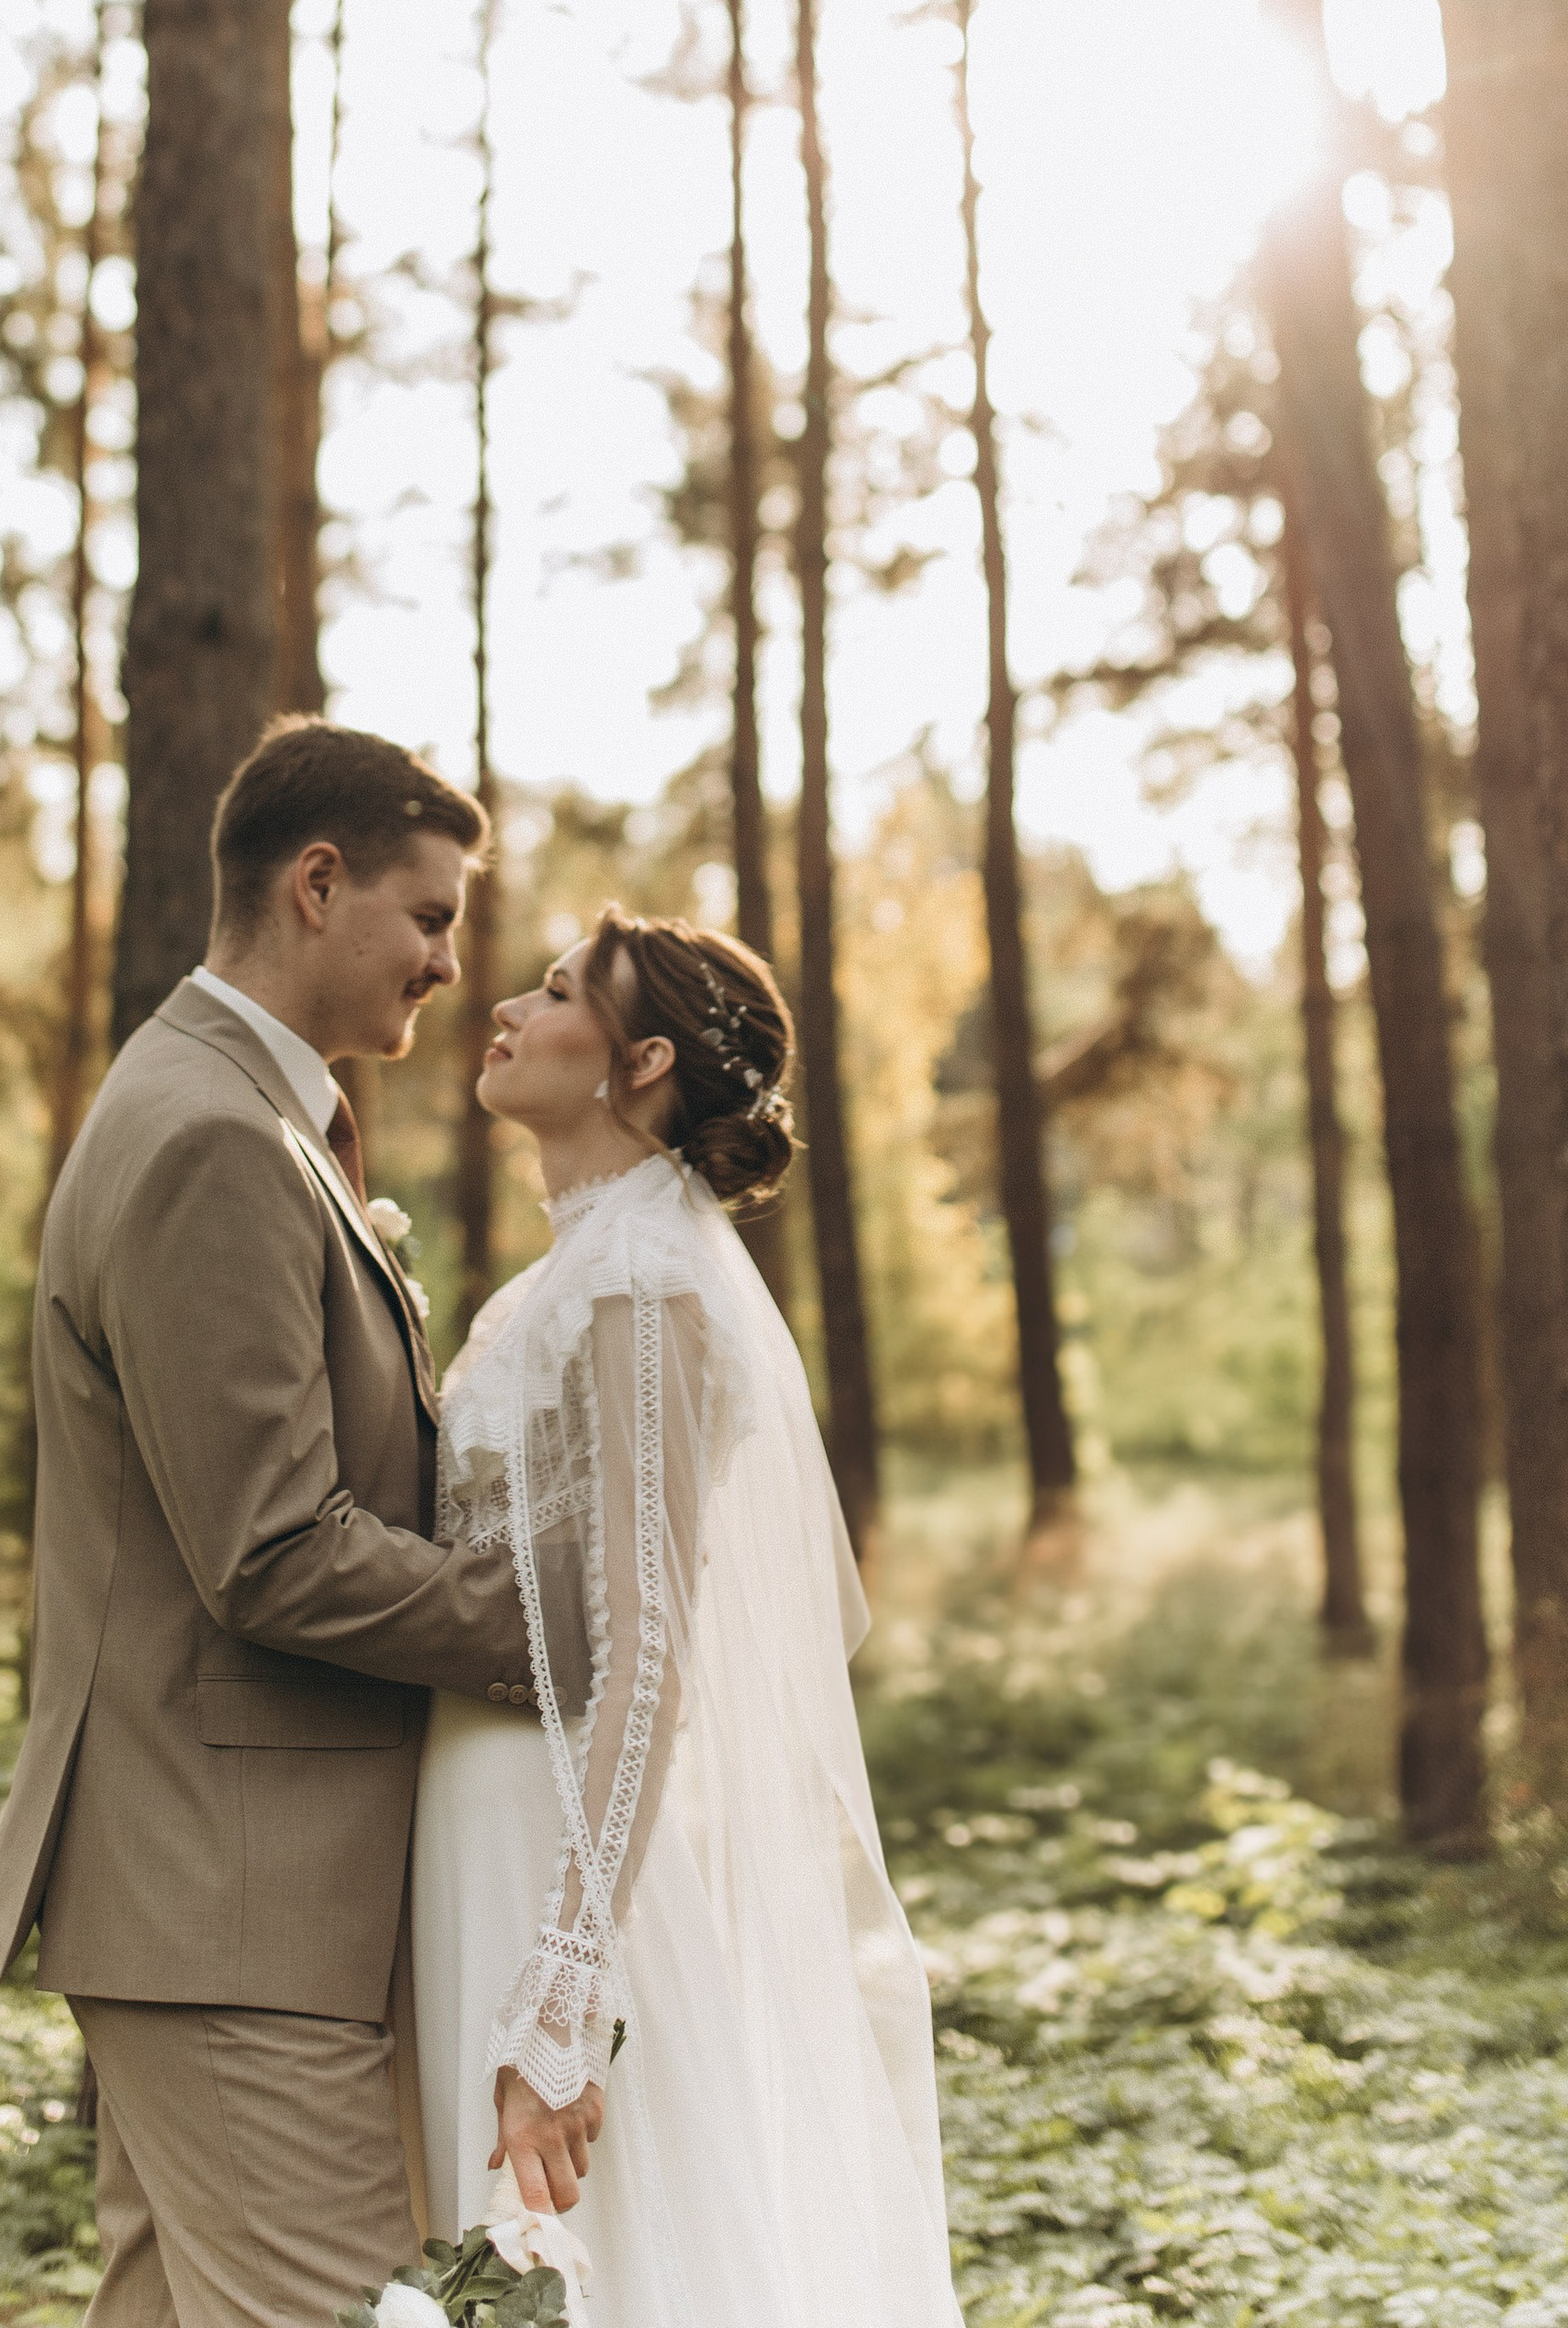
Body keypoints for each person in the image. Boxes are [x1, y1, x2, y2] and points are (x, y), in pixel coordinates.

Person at [0, 717, 595, 2328]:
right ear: (318, 884)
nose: (453, 966)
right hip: (230, 1900)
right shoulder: (211, 1137)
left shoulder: (247, 1114)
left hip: (227, 1898)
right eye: (434, 917)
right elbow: (271, 1548)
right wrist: (561, 1622)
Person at [413, 908, 962, 2328]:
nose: (507, 1014)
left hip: (553, 1839)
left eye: (552, 994)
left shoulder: (643, 1275)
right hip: (477, 1810)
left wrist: (562, 1991)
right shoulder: (576, 1267)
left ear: (639, 1058)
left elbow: (648, 1639)